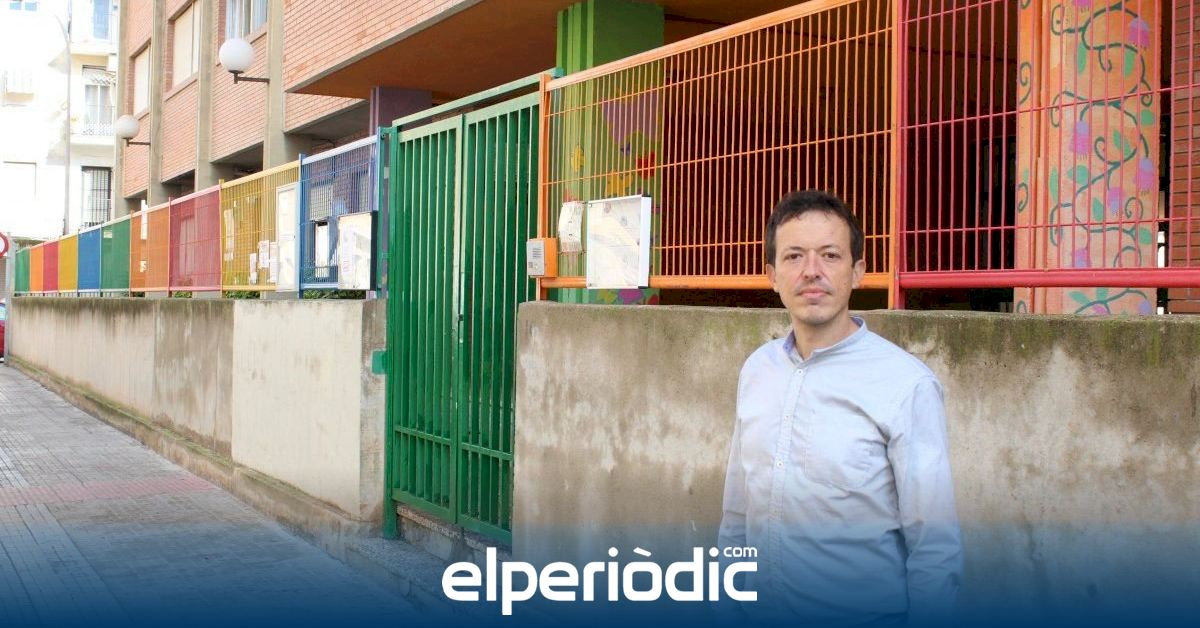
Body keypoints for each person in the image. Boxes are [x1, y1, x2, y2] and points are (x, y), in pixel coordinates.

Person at [718, 190, 962, 626]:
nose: (812, 271)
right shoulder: (757, 371)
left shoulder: (906, 386)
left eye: (830, 255)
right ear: (772, 275)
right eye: (794, 256)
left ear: (858, 272)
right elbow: (737, 513)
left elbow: (935, 547)